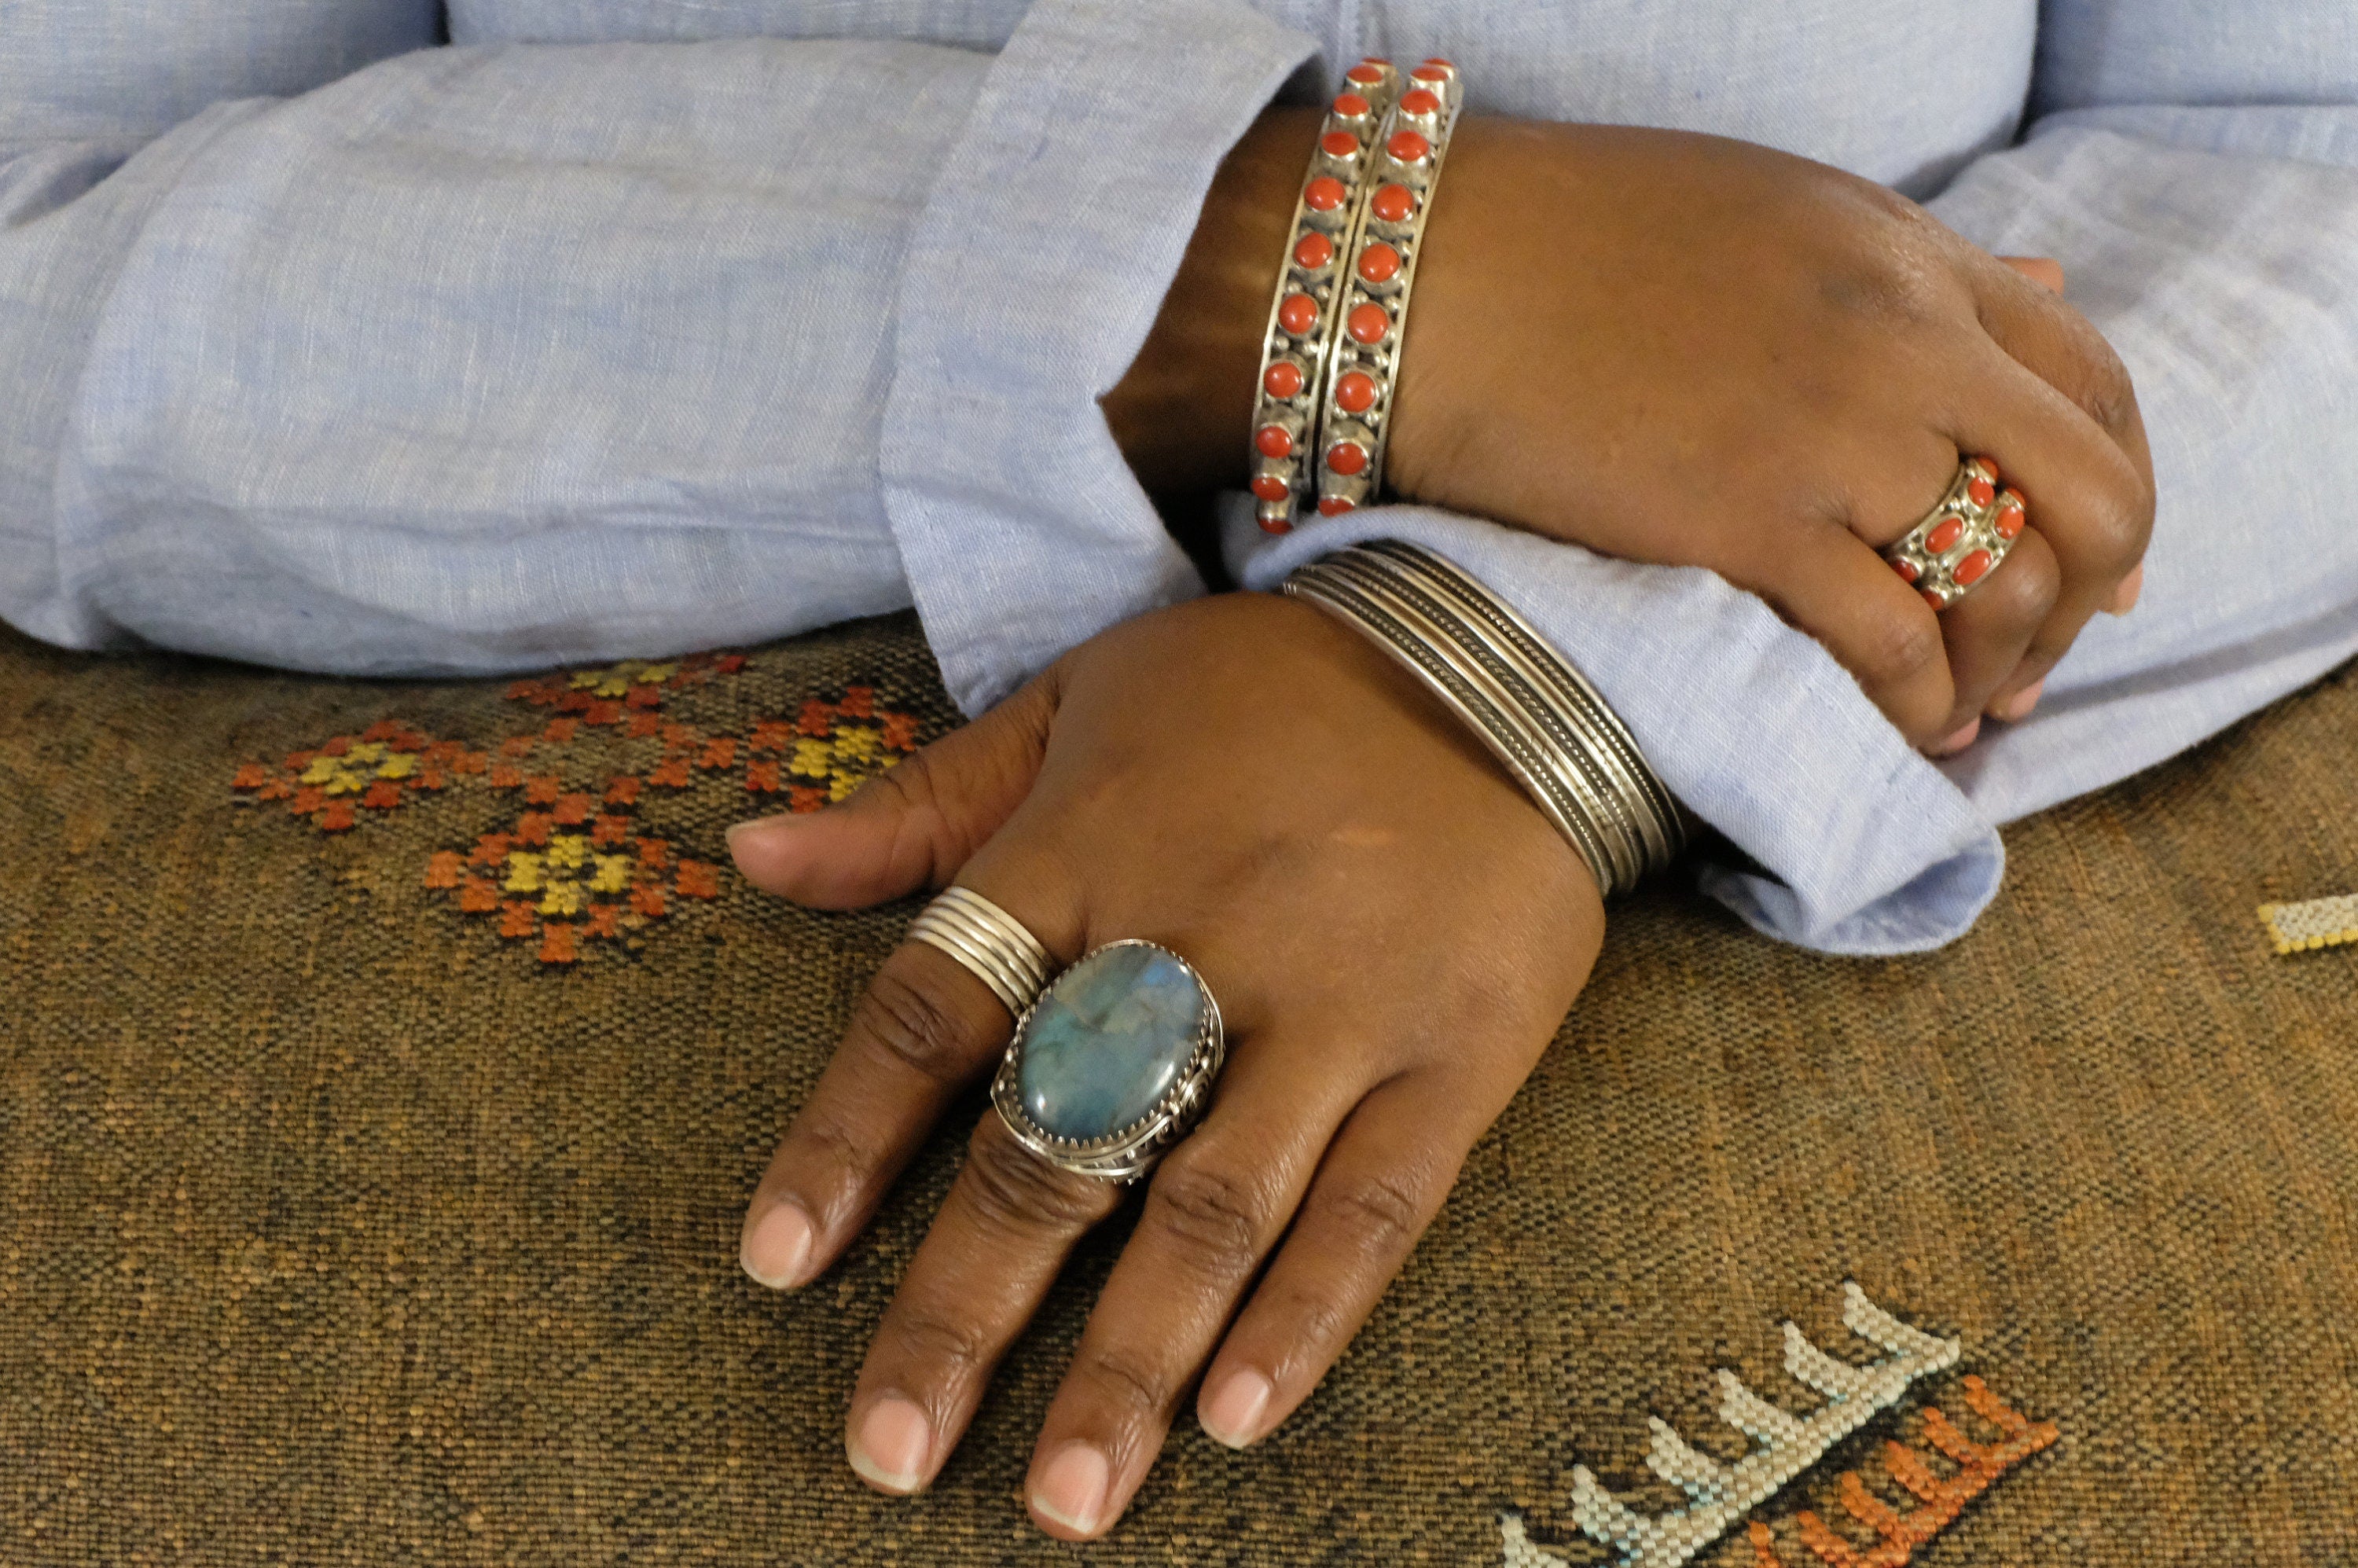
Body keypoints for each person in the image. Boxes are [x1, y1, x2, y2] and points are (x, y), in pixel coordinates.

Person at [3, 0, 2353, 1542]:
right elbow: (42, 245)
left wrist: (1522, 658)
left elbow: (2303, 139)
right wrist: (1309, 265)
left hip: (1841, 856)